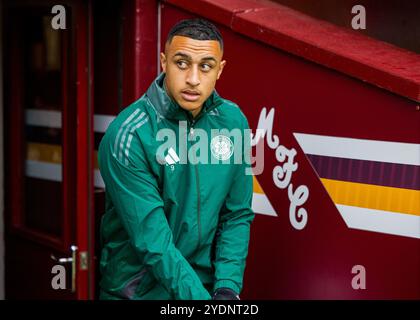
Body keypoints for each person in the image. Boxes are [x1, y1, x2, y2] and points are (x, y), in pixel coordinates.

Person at [98, 18, 254, 300]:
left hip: (206, 290)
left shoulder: (233, 122)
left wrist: (227, 288)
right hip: (140, 294)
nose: (193, 79)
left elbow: (236, 214)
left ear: (220, 70)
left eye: (205, 66)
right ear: (163, 62)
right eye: (181, 63)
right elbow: (153, 242)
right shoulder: (129, 135)